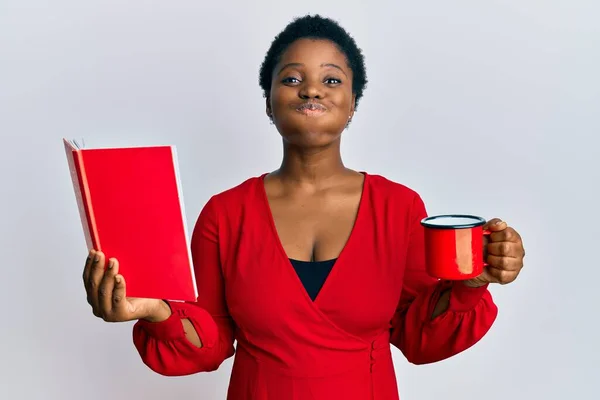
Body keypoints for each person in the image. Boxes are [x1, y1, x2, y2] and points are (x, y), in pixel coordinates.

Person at [82, 14, 526, 400]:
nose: (312, 89)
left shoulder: (400, 207)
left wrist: (473, 282)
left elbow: (417, 335)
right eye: (292, 78)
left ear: (353, 104)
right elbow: (210, 342)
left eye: (331, 79)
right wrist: (153, 310)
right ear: (269, 102)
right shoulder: (224, 214)